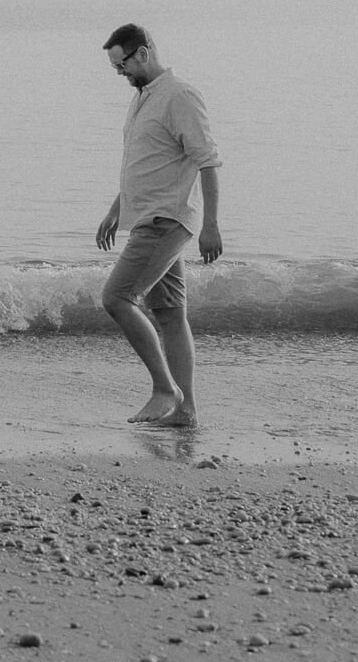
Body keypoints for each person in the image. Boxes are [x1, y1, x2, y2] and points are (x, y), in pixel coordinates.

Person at [96, 23, 223, 427]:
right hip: (146, 216)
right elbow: (146, 163)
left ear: (144, 53)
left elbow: (207, 161)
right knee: (169, 313)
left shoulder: (179, 96)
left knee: (117, 298)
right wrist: (117, 208)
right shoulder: (142, 100)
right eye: (116, 68)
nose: (121, 74)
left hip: (166, 220)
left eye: (123, 65)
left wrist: (212, 226)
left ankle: (165, 390)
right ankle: (186, 412)